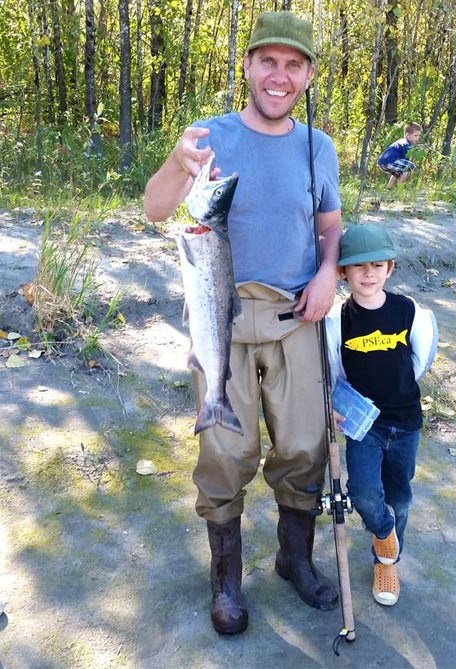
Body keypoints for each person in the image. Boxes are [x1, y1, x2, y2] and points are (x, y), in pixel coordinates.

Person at [144, 11, 342, 635]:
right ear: (249, 66)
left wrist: (328, 271)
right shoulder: (210, 137)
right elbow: (155, 209)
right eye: (268, 62)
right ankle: (226, 580)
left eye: (293, 65)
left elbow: (328, 226)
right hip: (220, 318)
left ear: (307, 74)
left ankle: (295, 559)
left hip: (297, 318)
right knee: (226, 450)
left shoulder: (319, 147)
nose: (279, 77)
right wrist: (179, 164)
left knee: (306, 447)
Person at [326, 224, 437, 606]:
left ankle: (385, 563)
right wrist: (332, 408)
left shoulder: (410, 313)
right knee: (363, 492)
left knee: (400, 496)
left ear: (390, 268)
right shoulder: (338, 322)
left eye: (377, 265)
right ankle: (385, 535)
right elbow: (333, 371)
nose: (368, 274)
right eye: (358, 267)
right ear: (343, 273)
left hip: (405, 423)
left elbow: (420, 362)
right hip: (364, 426)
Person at [377, 122, 422, 188]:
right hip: (390, 161)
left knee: (398, 172)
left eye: (419, 136)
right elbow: (406, 165)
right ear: (407, 135)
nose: (417, 138)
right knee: (410, 166)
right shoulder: (406, 144)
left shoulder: (402, 141)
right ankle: (400, 188)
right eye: (415, 136)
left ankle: (389, 188)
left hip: (382, 162)